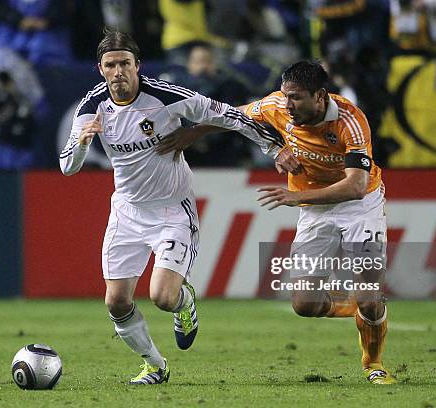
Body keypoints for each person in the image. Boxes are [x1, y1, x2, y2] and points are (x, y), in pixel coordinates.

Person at [59, 30, 287, 385]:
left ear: (138, 65)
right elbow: (67, 167)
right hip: (127, 211)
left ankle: (184, 302)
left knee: (162, 297)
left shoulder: (167, 97)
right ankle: (154, 365)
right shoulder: (91, 108)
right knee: (116, 302)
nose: (118, 71)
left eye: (124, 63)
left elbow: (227, 115)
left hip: (171, 210)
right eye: (110, 65)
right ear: (100, 69)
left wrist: (274, 149)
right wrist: (83, 143)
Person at [158, 59, 396, 385]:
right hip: (315, 210)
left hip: (360, 206)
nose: (287, 104)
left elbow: (355, 186)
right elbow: (233, 116)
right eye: (285, 95)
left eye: (296, 97)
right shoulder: (276, 106)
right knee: (305, 304)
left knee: (369, 293)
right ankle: (365, 310)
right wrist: (195, 132)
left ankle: (375, 365)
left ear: (320, 96)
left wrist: (295, 197)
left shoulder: (350, 121)